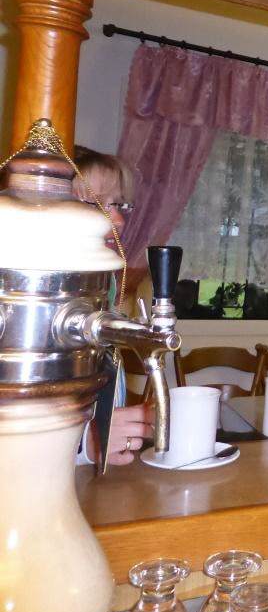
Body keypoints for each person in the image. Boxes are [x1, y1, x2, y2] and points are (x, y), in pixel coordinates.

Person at [71, 146, 153, 466]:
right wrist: (85, 443)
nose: (117, 220)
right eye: (95, 204)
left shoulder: (105, 286)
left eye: (118, 205)